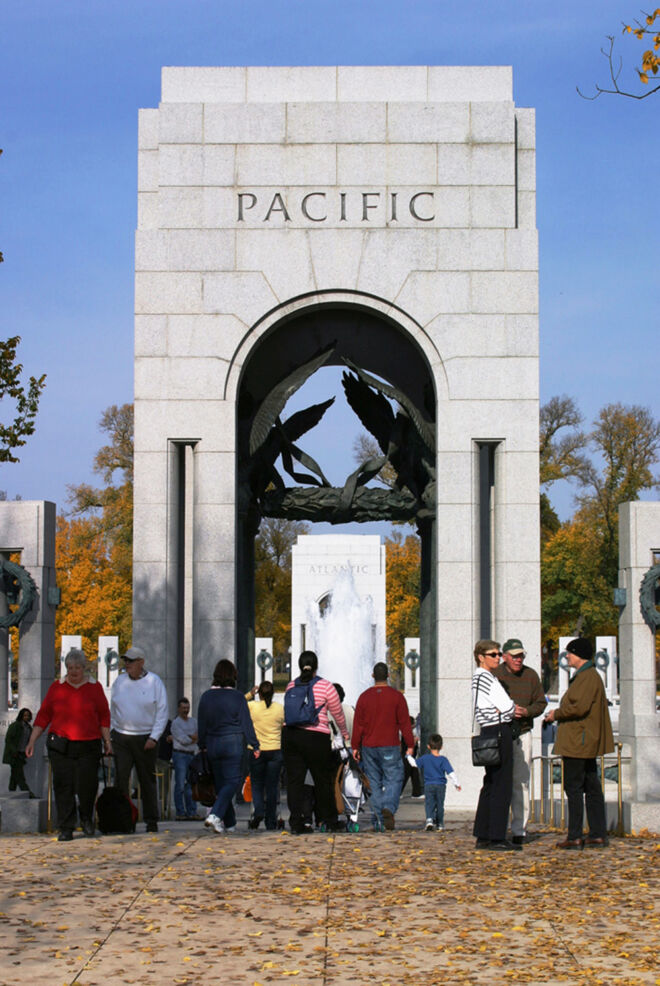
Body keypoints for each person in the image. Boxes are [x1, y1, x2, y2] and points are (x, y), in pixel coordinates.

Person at [26, 648, 112, 841]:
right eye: (70, 667)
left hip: (88, 744)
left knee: (87, 786)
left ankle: (86, 818)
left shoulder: (94, 687)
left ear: (84, 668)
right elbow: (43, 715)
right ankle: (66, 827)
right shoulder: (57, 687)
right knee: (63, 786)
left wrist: (107, 741)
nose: (74, 672)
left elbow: (104, 716)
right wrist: (32, 740)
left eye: (78, 668)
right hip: (61, 744)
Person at [544, 637, 614, 849]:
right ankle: (596, 833)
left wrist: (555, 713)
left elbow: (578, 707)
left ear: (578, 654)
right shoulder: (588, 676)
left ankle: (575, 835)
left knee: (574, 788)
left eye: (569, 653)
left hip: (579, 741)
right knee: (591, 787)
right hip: (584, 741)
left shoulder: (586, 677)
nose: (567, 657)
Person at [283, 651, 349, 834]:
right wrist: (344, 733)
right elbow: (337, 713)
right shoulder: (326, 686)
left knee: (295, 782)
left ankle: (296, 822)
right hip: (316, 737)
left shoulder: (291, 685)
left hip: (291, 735)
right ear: (316, 666)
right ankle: (328, 820)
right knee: (322, 780)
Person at [472, 639, 525, 852]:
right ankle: (496, 836)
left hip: (489, 730)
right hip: (499, 731)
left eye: (498, 654)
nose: (498, 658)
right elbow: (508, 707)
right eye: (492, 654)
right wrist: (508, 710)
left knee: (491, 783)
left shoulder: (481, 678)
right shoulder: (486, 678)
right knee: (501, 783)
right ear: (481, 657)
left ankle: (484, 833)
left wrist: (503, 710)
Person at [494, 637, 547, 843]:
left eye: (521, 656)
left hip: (523, 732)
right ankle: (498, 827)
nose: (518, 659)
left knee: (521, 781)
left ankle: (519, 830)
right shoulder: (496, 675)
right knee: (499, 781)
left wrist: (528, 712)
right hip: (501, 732)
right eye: (514, 656)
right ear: (505, 657)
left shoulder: (531, 675)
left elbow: (541, 702)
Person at [110, 645, 169, 833]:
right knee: (121, 780)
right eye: (125, 661)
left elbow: (162, 711)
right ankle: (123, 820)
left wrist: (154, 736)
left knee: (147, 780)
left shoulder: (154, 682)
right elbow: (113, 709)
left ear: (141, 662)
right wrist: (112, 732)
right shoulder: (119, 682)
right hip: (121, 736)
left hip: (145, 738)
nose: (127, 664)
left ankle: (151, 820)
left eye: (131, 661)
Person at [198, 659, 260, 834]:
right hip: (232, 741)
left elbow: (202, 723)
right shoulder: (238, 697)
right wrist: (254, 744)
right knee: (232, 782)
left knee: (221, 785)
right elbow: (246, 723)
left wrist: (202, 744)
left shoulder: (206, 696)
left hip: (212, 742)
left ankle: (230, 824)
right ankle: (215, 815)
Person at [352, 661, 414, 831]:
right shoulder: (397, 697)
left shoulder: (364, 697)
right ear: (388, 676)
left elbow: (358, 725)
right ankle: (388, 808)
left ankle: (380, 819)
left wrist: (355, 746)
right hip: (390, 745)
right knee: (394, 778)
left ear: (373, 676)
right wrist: (410, 744)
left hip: (369, 746)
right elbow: (404, 723)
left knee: (373, 782)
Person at [246, 680, 284, 830]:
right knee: (272, 786)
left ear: (259, 693)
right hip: (275, 749)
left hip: (257, 749)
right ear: (273, 693)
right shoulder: (279, 709)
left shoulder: (253, 706)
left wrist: (250, 693)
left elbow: (238, 703)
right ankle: (270, 821)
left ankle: (259, 811)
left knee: (256, 783)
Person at [415, 733, 461, 831]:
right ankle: (440, 823)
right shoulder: (443, 760)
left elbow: (414, 764)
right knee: (440, 804)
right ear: (441, 747)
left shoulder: (425, 758)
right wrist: (456, 783)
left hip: (428, 785)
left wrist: (407, 756)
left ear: (428, 746)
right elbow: (451, 773)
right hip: (440, 785)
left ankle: (429, 820)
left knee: (429, 803)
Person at [171, 697, 199, 820]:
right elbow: (183, 740)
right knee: (180, 785)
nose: (186, 710)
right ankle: (180, 812)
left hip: (192, 755)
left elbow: (199, 736)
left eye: (187, 708)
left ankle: (192, 811)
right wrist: (192, 737)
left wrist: (192, 737)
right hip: (180, 755)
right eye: (183, 708)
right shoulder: (176, 723)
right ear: (178, 709)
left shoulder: (194, 722)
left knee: (191, 785)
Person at [3, 708, 35, 796]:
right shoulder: (15, 726)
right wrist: (14, 751)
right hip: (14, 754)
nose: (26, 717)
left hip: (21, 754)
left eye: (28, 716)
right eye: (25, 715)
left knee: (14, 775)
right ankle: (28, 793)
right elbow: (8, 739)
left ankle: (11, 792)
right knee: (19, 775)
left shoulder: (28, 728)